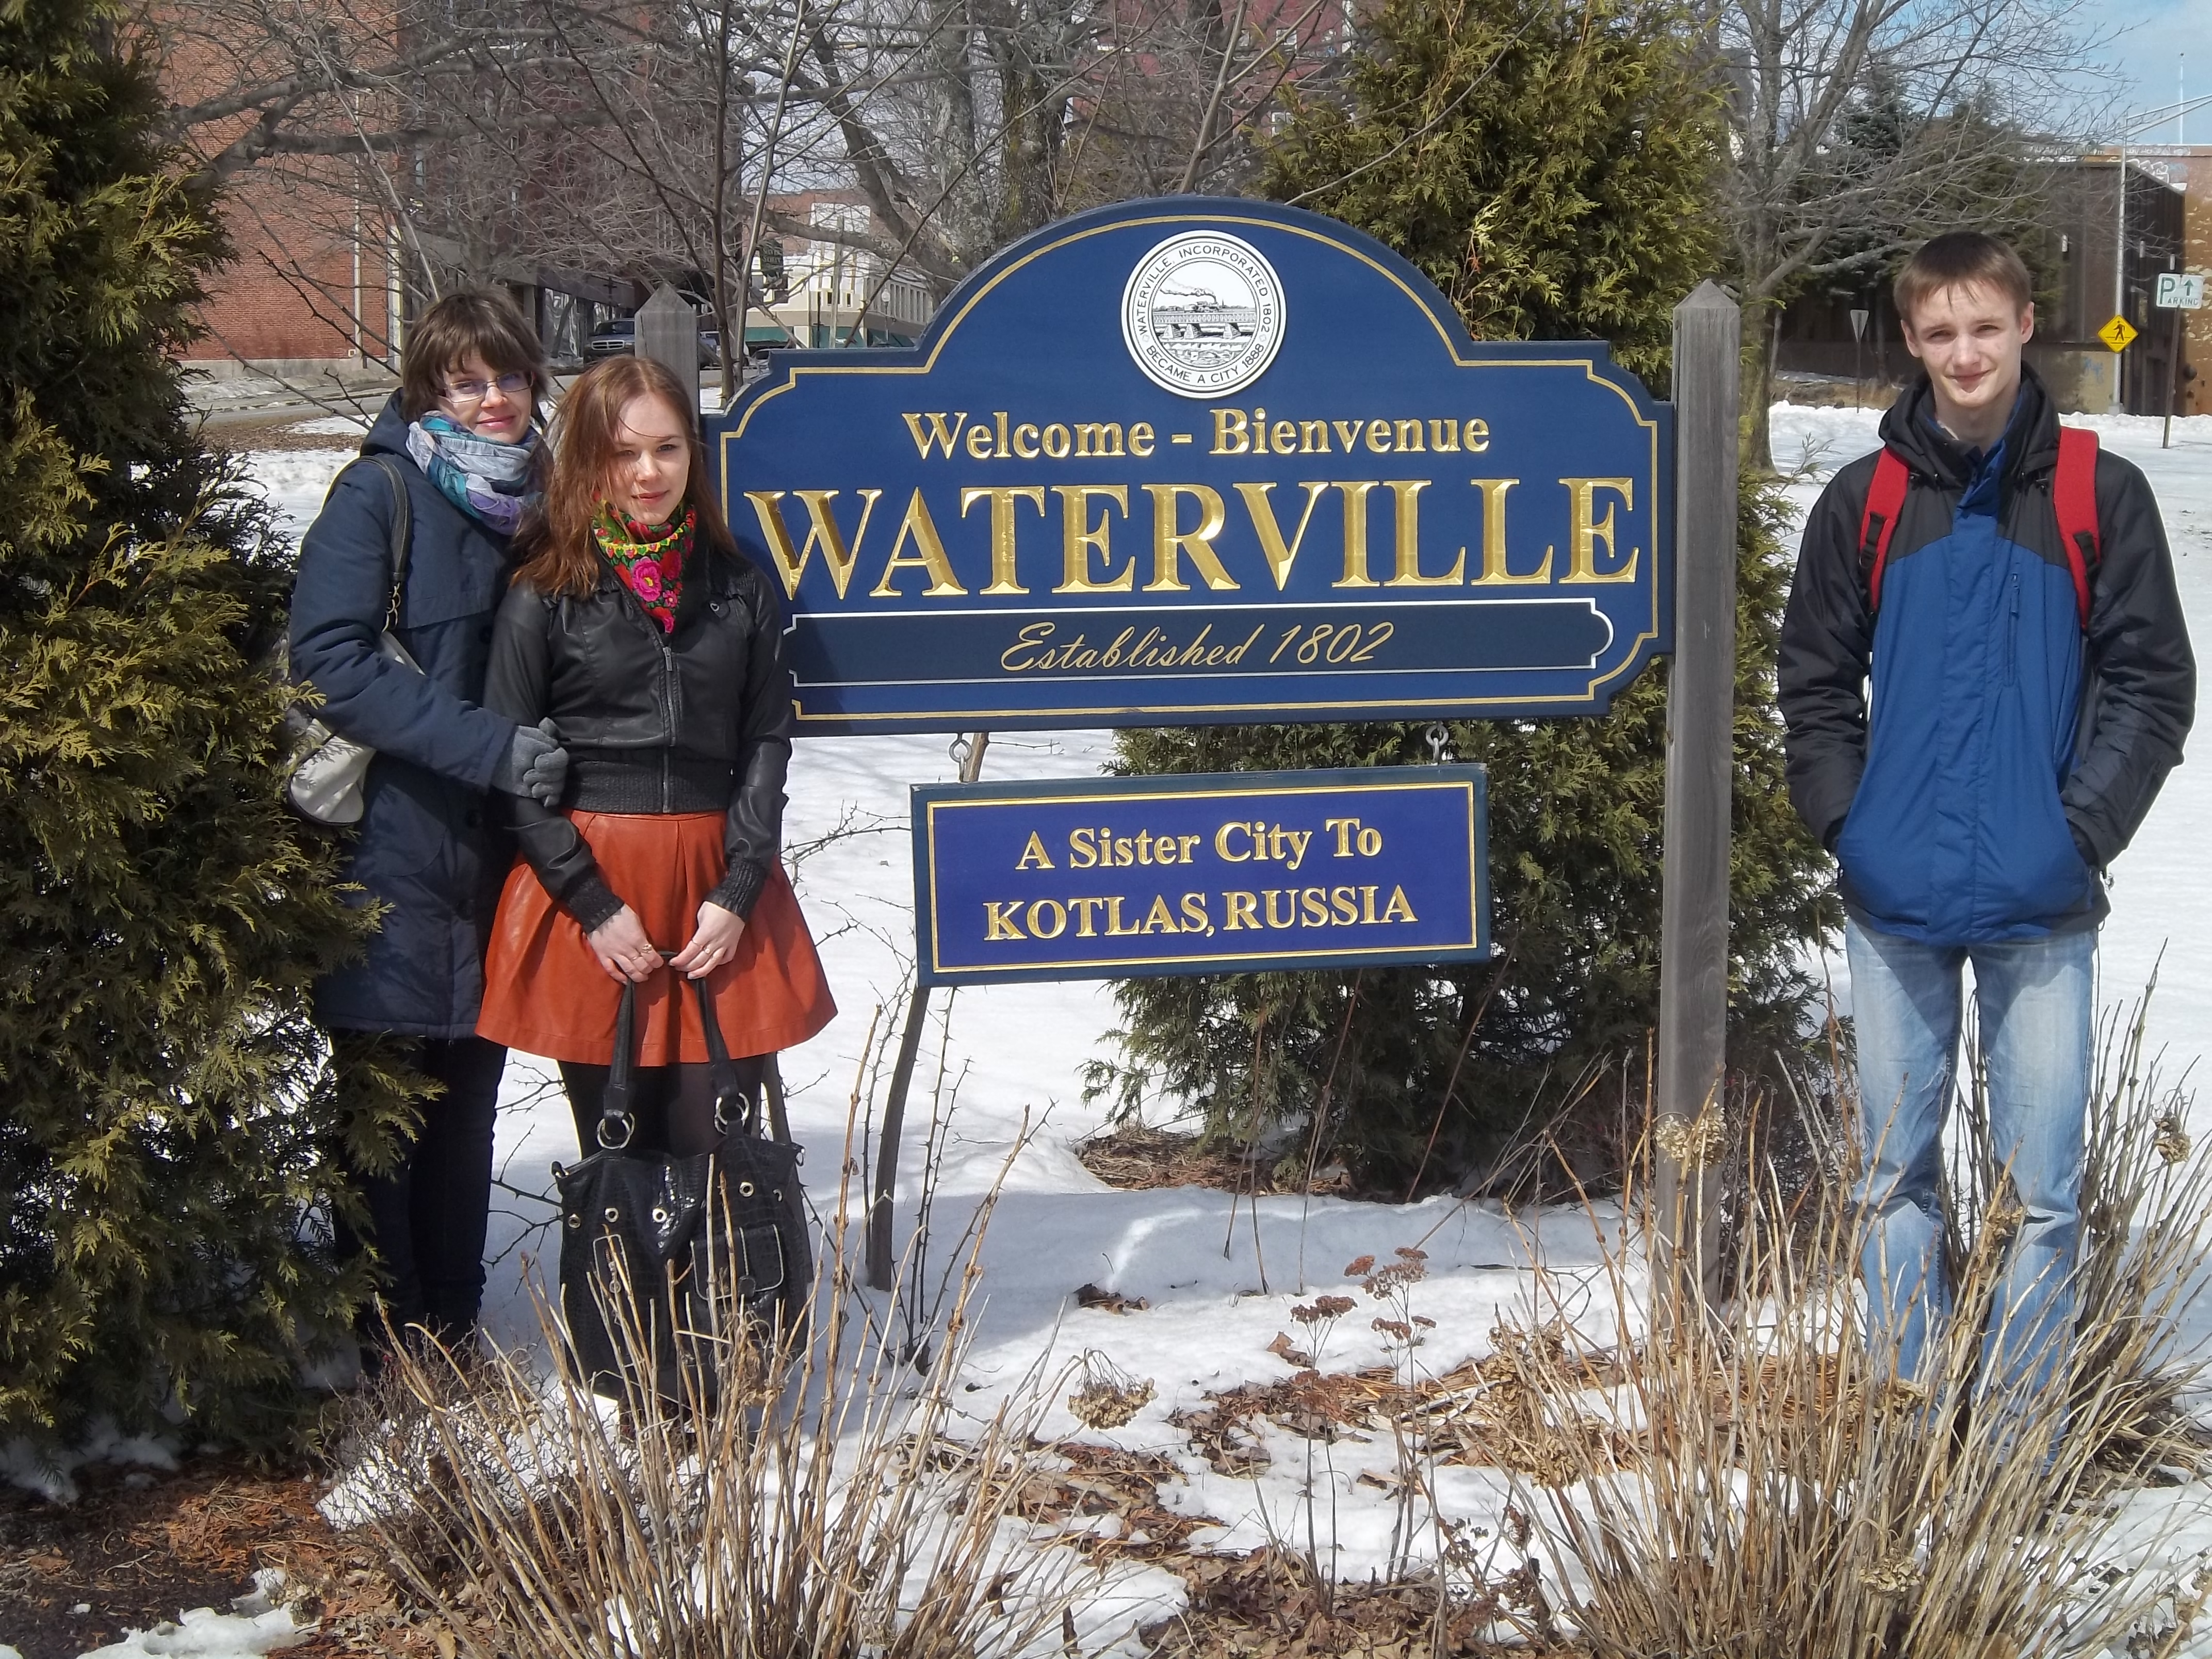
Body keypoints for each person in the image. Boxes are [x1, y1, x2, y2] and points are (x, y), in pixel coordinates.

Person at [1779, 232, 2195, 1393]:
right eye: (1937, 333)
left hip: (2041, 898)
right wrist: (1845, 822)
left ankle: (2013, 1448)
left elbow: (2153, 681)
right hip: (1892, 899)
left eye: (1982, 326)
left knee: (2040, 1199)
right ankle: (1912, 1422)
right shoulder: (1862, 501)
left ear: (2022, 326)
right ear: (1911, 343)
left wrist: (2077, 832)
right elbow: (1811, 679)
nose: (1963, 352)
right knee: (1887, 1183)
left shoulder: (2091, 494)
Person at [289, 290, 570, 1358]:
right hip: (391, 850)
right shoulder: (382, 495)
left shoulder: (551, 501)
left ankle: (452, 1322)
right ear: (429, 392)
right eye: (468, 382)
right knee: (384, 1107)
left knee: (469, 1101)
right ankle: (383, 1342)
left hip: (505, 857)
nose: (494, 400)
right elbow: (332, 665)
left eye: (508, 378)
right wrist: (490, 748)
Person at [475, 355, 834, 1157]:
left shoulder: (739, 582)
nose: (647, 472)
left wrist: (741, 885)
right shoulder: (545, 589)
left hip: (719, 883)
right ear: (589, 460)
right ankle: (619, 1291)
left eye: (668, 450)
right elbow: (510, 759)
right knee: (619, 1156)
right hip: (594, 883)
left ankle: (724, 1291)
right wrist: (593, 907)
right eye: (624, 452)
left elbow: (766, 739)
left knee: (722, 1150)